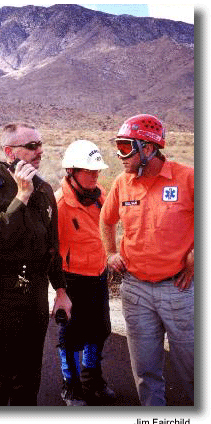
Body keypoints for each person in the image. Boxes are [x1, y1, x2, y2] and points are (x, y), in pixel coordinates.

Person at [0, 122, 71, 406]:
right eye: (31, 146)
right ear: (9, 152)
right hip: (1, 296)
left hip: (36, 296)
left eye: (40, 144)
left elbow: (52, 246)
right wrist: (20, 196)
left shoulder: (44, 189)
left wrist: (60, 291)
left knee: (29, 379)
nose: (39, 151)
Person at [100, 114, 194, 406]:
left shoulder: (187, 177)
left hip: (178, 289)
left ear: (149, 149)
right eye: (118, 146)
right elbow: (106, 221)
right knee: (145, 371)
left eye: (126, 147)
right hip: (135, 290)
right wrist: (110, 253)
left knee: (194, 368)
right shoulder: (122, 183)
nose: (119, 155)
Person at [55, 140, 115, 406]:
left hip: (98, 275)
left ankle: (92, 378)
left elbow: (107, 229)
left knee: (99, 330)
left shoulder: (100, 194)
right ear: (71, 171)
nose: (95, 176)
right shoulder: (59, 205)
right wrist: (60, 290)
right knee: (70, 336)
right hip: (72, 280)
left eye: (97, 171)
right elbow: (51, 250)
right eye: (89, 171)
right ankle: (72, 385)